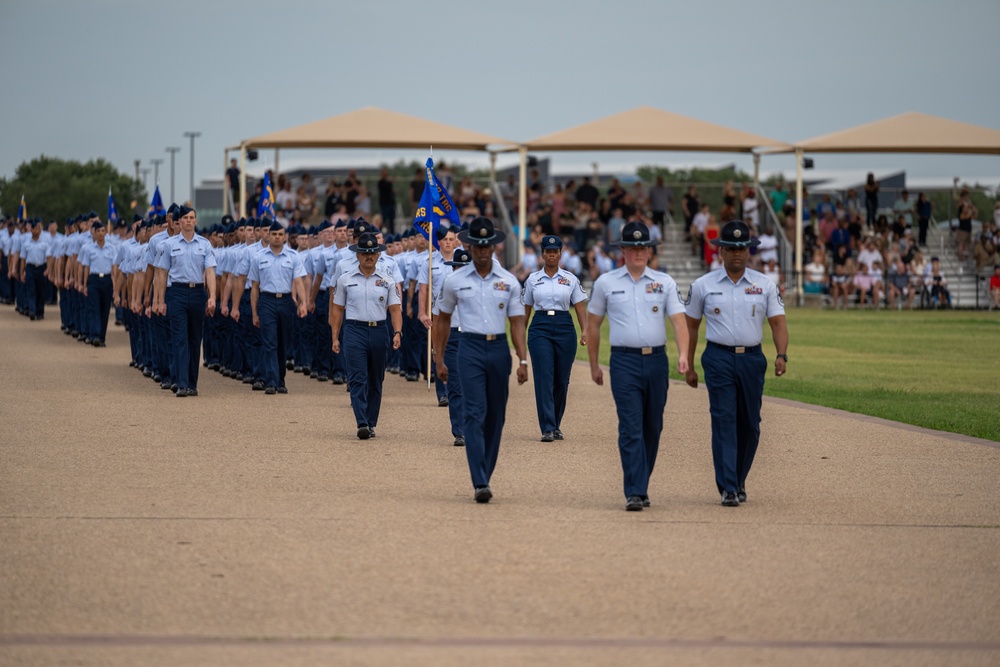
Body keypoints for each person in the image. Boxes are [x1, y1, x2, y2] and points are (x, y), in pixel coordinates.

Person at [587, 221, 690, 512]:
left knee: (652, 425)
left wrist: (684, 354)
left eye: (643, 247)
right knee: (631, 425)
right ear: (622, 250)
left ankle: (641, 481)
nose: (638, 252)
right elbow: (593, 325)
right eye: (632, 248)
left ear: (650, 250)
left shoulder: (664, 282)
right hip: (624, 362)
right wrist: (594, 364)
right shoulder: (607, 283)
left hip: (656, 361)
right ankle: (634, 490)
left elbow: (679, 320)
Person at [684, 220, 788, 507]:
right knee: (724, 421)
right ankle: (728, 486)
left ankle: (739, 478)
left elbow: (778, 322)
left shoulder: (764, 285)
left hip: (752, 359)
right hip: (717, 357)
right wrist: (689, 364)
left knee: (751, 425)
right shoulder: (703, 285)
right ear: (721, 252)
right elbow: (691, 327)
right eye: (731, 249)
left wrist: (781, 354)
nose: (737, 254)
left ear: (749, 251)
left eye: (742, 248)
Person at [434, 217, 528, 504]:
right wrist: (439, 359)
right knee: (474, 413)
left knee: (496, 416)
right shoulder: (455, 281)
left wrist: (522, 360)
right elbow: (443, 320)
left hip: (498, 349)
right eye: (477, 245)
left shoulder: (508, 281)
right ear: (470, 246)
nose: (483, 250)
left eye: (487, 245)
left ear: (493, 246)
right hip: (469, 348)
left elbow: (516, 323)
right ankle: (480, 480)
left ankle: (485, 468)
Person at [331, 231, 402, 440]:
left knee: (376, 379)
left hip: (379, 330)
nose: (369, 256)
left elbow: (395, 309)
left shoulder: (388, 280)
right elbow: (337, 309)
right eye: (364, 252)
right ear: (357, 255)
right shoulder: (345, 280)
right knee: (357, 377)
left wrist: (397, 331)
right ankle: (361, 422)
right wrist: (335, 336)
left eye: (372, 252)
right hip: (354, 331)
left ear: (378, 255)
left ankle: (371, 422)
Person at [522, 235, 589, 442]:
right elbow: (525, 310)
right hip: (540, 326)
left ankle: (556, 423)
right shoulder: (533, 279)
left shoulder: (570, 279)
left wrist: (584, 330)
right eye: (548, 252)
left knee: (561, 379)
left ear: (560, 254)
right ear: (542, 254)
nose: (551, 255)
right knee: (544, 377)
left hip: (564, 326)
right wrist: (519, 335)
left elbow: (579, 306)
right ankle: (548, 427)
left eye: (555, 252)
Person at [152, 205, 217, 397]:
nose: (188, 221)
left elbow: (210, 273)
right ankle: (180, 383)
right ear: (179, 222)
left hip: (197, 293)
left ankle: (191, 383)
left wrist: (212, 296)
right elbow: (162, 275)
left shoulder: (204, 244)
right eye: (185, 218)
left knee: (194, 339)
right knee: (179, 339)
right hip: (177, 293)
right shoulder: (169, 245)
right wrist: (160, 300)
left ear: (196, 221)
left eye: (191, 218)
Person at [249, 222, 309, 395]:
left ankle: (280, 379)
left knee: (283, 343)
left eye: (279, 234)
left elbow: (299, 282)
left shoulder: (293, 256)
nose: (276, 237)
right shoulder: (259, 257)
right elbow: (254, 287)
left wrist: (303, 303)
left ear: (285, 236)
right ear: (268, 235)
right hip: (266, 300)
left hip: (285, 302)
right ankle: (271, 381)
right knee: (269, 342)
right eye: (273, 234)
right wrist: (254, 312)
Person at [77, 220, 118, 346]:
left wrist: (115, 286)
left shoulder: (111, 249)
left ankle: (102, 337)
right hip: (93, 280)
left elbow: (114, 268)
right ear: (94, 233)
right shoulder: (89, 249)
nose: (101, 233)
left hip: (106, 280)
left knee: (104, 310)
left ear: (106, 232)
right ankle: (95, 335)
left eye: (103, 231)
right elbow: (85, 268)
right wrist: (83, 284)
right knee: (94, 308)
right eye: (98, 231)